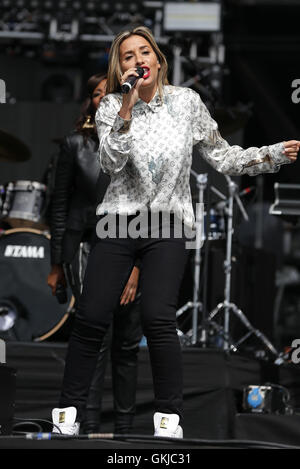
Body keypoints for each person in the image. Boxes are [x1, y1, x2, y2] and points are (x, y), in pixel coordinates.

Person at [51, 26, 299, 438]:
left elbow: (222, 155)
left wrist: (272, 154)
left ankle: (168, 419)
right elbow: (111, 163)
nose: (136, 61)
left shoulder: (186, 103)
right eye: (127, 56)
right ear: (120, 68)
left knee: (158, 318)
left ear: (158, 61)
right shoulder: (112, 106)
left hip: (167, 223)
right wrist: (127, 108)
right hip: (118, 220)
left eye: (143, 52)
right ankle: (68, 413)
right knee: (92, 316)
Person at [47, 73, 142, 434]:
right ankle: (84, 425)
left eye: (114, 92)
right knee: (94, 333)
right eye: (99, 94)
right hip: (86, 244)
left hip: (132, 246)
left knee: (128, 342)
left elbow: (148, 208)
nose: (107, 98)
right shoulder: (75, 145)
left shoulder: (139, 143)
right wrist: (56, 263)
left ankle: (124, 429)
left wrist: (136, 267)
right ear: (92, 101)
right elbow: (60, 206)